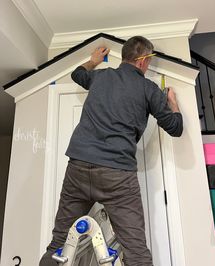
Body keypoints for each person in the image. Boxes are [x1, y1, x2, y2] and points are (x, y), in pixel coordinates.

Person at [39, 36, 183, 266]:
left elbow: (77, 74)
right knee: (136, 253)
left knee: (59, 244)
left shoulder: (101, 76)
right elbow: (176, 128)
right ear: (143, 60)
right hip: (117, 175)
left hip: (78, 166)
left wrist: (93, 60)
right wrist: (173, 104)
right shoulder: (148, 89)